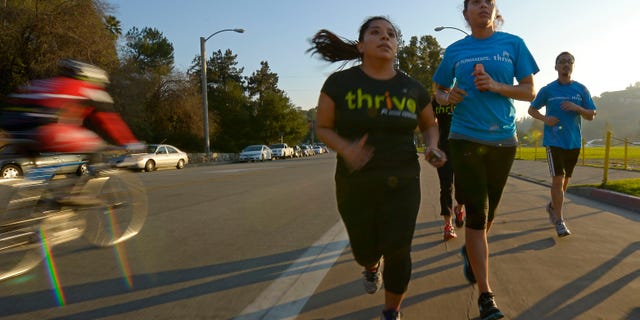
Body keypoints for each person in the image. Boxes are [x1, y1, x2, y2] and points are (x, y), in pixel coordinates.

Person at [308, 16, 444, 320]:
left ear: (396, 46)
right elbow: (324, 127)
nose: (385, 37)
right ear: (361, 45)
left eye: (391, 34)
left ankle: (391, 311)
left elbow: (429, 125)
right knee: (364, 249)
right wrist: (346, 148)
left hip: (404, 180)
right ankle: (370, 266)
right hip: (355, 181)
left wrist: (433, 146)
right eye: (376, 32)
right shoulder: (340, 84)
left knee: (398, 249)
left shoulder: (411, 88)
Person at [432, 1, 539, 319]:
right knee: (477, 214)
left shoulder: (514, 44)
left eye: (488, 2)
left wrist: (495, 85)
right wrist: (446, 97)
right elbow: (437, 90)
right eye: (474, 2)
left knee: (489, 213)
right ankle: (486, 296)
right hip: (464, 138)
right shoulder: (455, 50)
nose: (482, 6)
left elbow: (530, 91)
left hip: (504, 140)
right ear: (465, 14)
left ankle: (472, 249)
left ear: (495, 11)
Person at [0, 59, 141, 155]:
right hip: (46, 131)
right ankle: (75, 195)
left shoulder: (42, 83)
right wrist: (130, 143)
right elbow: (109, 120)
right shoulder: (88, 87)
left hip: (13, 130)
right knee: (97, 146)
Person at [528, 52, 597, 237]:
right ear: (556, 66)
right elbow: (531, 109)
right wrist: (545, 119)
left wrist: (578, 108)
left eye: (569, 62)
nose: (566, 64)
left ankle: (552, 206)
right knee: (558, 179)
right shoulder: (548, 90)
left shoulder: (581, 90)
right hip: (553, 141)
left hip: (573, 141)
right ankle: (559, 220)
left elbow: (591, 114)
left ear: (573, 66)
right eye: (562, 62)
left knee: (565, 181)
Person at [430, 94, 465, 241]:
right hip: (442, 149)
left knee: (462, 185)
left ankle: (459, 207)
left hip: (462, 148)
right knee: (445, 186)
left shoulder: (462, 97)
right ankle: (447, 225)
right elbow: (430, 124)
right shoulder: (435, 101)